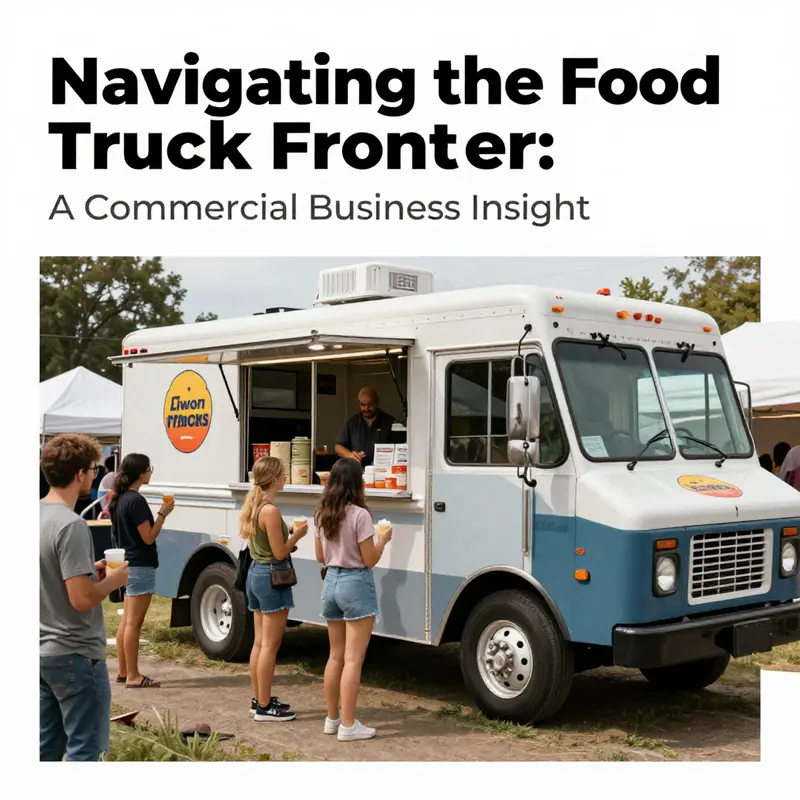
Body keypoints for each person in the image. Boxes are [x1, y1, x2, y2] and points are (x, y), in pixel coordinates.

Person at [40, 434, 129, 761]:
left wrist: (87, 569)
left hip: (42, 653)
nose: (95, 475)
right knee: (85, 753)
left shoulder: (36, 516)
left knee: (45, 752)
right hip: (75, 653)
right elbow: (81, 599)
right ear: (79, 474)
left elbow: (48, 572)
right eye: (92, 469)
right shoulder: (71, 524)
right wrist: (114, 580)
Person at [313, 457, 392, 741]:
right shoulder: (360, 515)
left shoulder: (321, 513)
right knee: (353, 660)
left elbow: (320, 557)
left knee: (335, 657)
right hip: (355, 583)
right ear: (358, 483)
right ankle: (349, 725)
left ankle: (332, 719)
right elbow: (369, 559)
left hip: (331, 581)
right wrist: (383, 539)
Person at [241, 456, 308, 722]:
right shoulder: (270, 510)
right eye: (282, 474)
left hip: (256, 573)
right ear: (274, 478)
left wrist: (287, 534)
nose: (285, 477)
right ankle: (266, 707)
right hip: (272, 576)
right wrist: (297, 536)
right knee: (271, 644)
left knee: (259, 643)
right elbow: (280, 551)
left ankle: (259, 698)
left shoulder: (257, 506)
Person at [109, 453, 174, 688]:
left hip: (127, 563)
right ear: (140, 473)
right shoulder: (136, 501)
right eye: (149, 468)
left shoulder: (120, 499)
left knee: (126, 621)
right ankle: (134, 676)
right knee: (134, 624)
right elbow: (148, 538)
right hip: (140, 564)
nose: (150, 472)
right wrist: (162, 515)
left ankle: (124, 671)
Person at [335, 387, 395, 468]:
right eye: (363, 405)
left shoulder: (389, 422)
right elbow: (338, 447)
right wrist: (350, 455)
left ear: (377, 402)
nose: (366, 408)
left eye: (370, 405)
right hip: (357, 471)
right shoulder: (352, 422)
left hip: (383, 472)